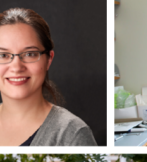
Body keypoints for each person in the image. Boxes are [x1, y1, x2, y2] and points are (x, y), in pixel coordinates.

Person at [0, 8, 97, 147]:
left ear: (49, 60)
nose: (16, 67)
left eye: (29, 54)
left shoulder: (73, 134)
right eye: (3, 55)